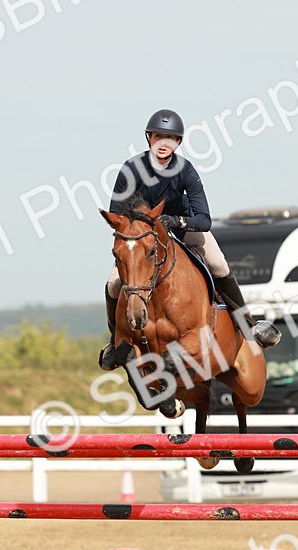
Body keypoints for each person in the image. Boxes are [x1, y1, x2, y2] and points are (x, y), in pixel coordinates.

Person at [100, 109, 281, 367]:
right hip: (143, 237)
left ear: (178, 143)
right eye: (158, 136)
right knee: (114, 283)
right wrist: (138, 233)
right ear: (149, 138)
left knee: (218, 264)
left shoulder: (185, 170)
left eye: (170, 138)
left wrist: (176, 221)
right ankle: (113, 341)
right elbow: (116, 214)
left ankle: (248, 325)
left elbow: (204, 219)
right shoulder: (131, 169)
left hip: (182, 224)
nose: (164, 143)